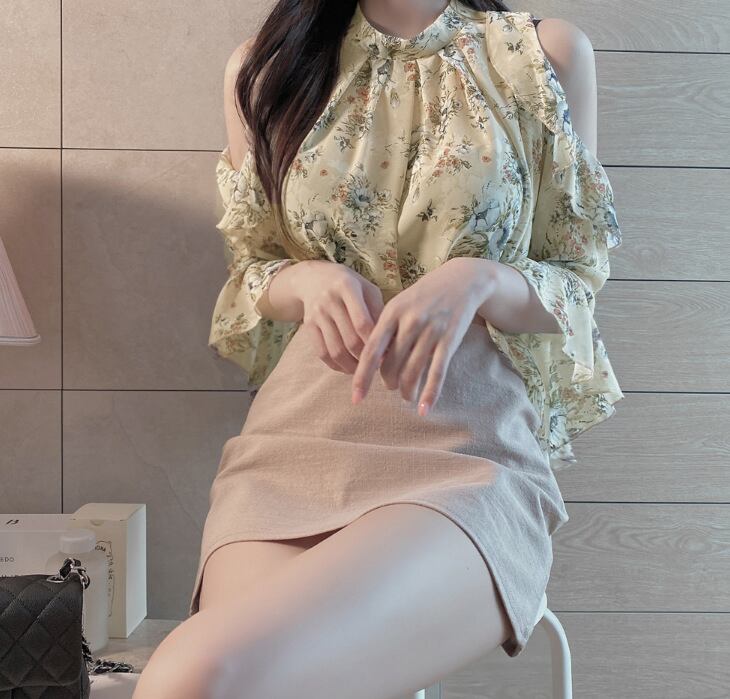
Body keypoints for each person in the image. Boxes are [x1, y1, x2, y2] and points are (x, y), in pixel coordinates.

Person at [133, 1, 623, 697]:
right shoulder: (266, 68)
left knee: (196, 672)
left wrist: (481, 280)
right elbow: (252, 270)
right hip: (292, 452)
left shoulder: (542, 56)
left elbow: (576, 280)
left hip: (466, 455)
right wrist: (304, 281)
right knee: (206, 679)